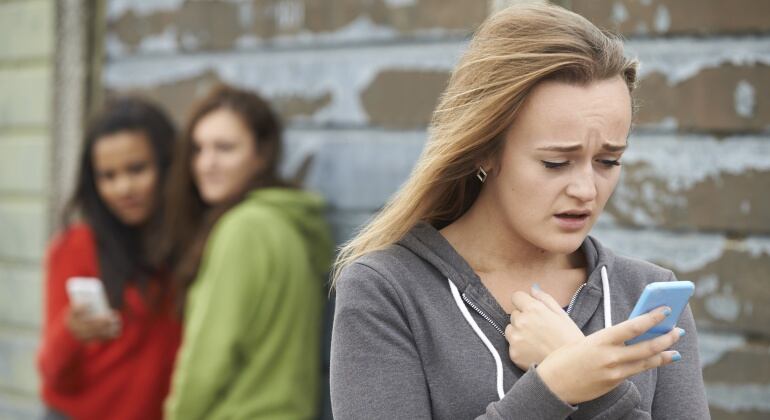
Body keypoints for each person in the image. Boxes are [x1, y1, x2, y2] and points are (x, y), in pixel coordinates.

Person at [329, 3, 709, 419]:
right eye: (555, 163)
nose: (586, 190)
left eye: (608, 161)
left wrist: (591, 381)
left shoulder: (645, 296)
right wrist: (556, 386)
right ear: (484, 151)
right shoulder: (388, 291)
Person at [161, 85, 333, 420]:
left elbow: (208, 359)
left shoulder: (244, 229)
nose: (206, 164)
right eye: (198, 149)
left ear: (261, 154)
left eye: (224, 148)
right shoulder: (290, 223)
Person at [38, 98, 181, 420]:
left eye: (137, 169)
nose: (123, 187)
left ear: (168, 164)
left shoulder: (187, 245)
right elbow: (51, 371)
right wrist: (71, 332)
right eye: (108, 176)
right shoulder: (74, 246)